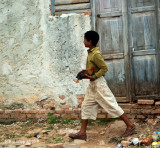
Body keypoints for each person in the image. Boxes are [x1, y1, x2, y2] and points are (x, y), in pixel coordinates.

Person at [69, 30, 136, 141]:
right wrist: (86, 72)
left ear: (90, 41)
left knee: (111, 105)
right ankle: (82, 133)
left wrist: (93, 77)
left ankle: (130, 125)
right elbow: (94, 68)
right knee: (86, 106)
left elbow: (104, 68)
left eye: (85, 39)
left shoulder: (96, 54)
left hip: (99, 85)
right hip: (93, 86)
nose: (83, 41)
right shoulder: (91, 52)